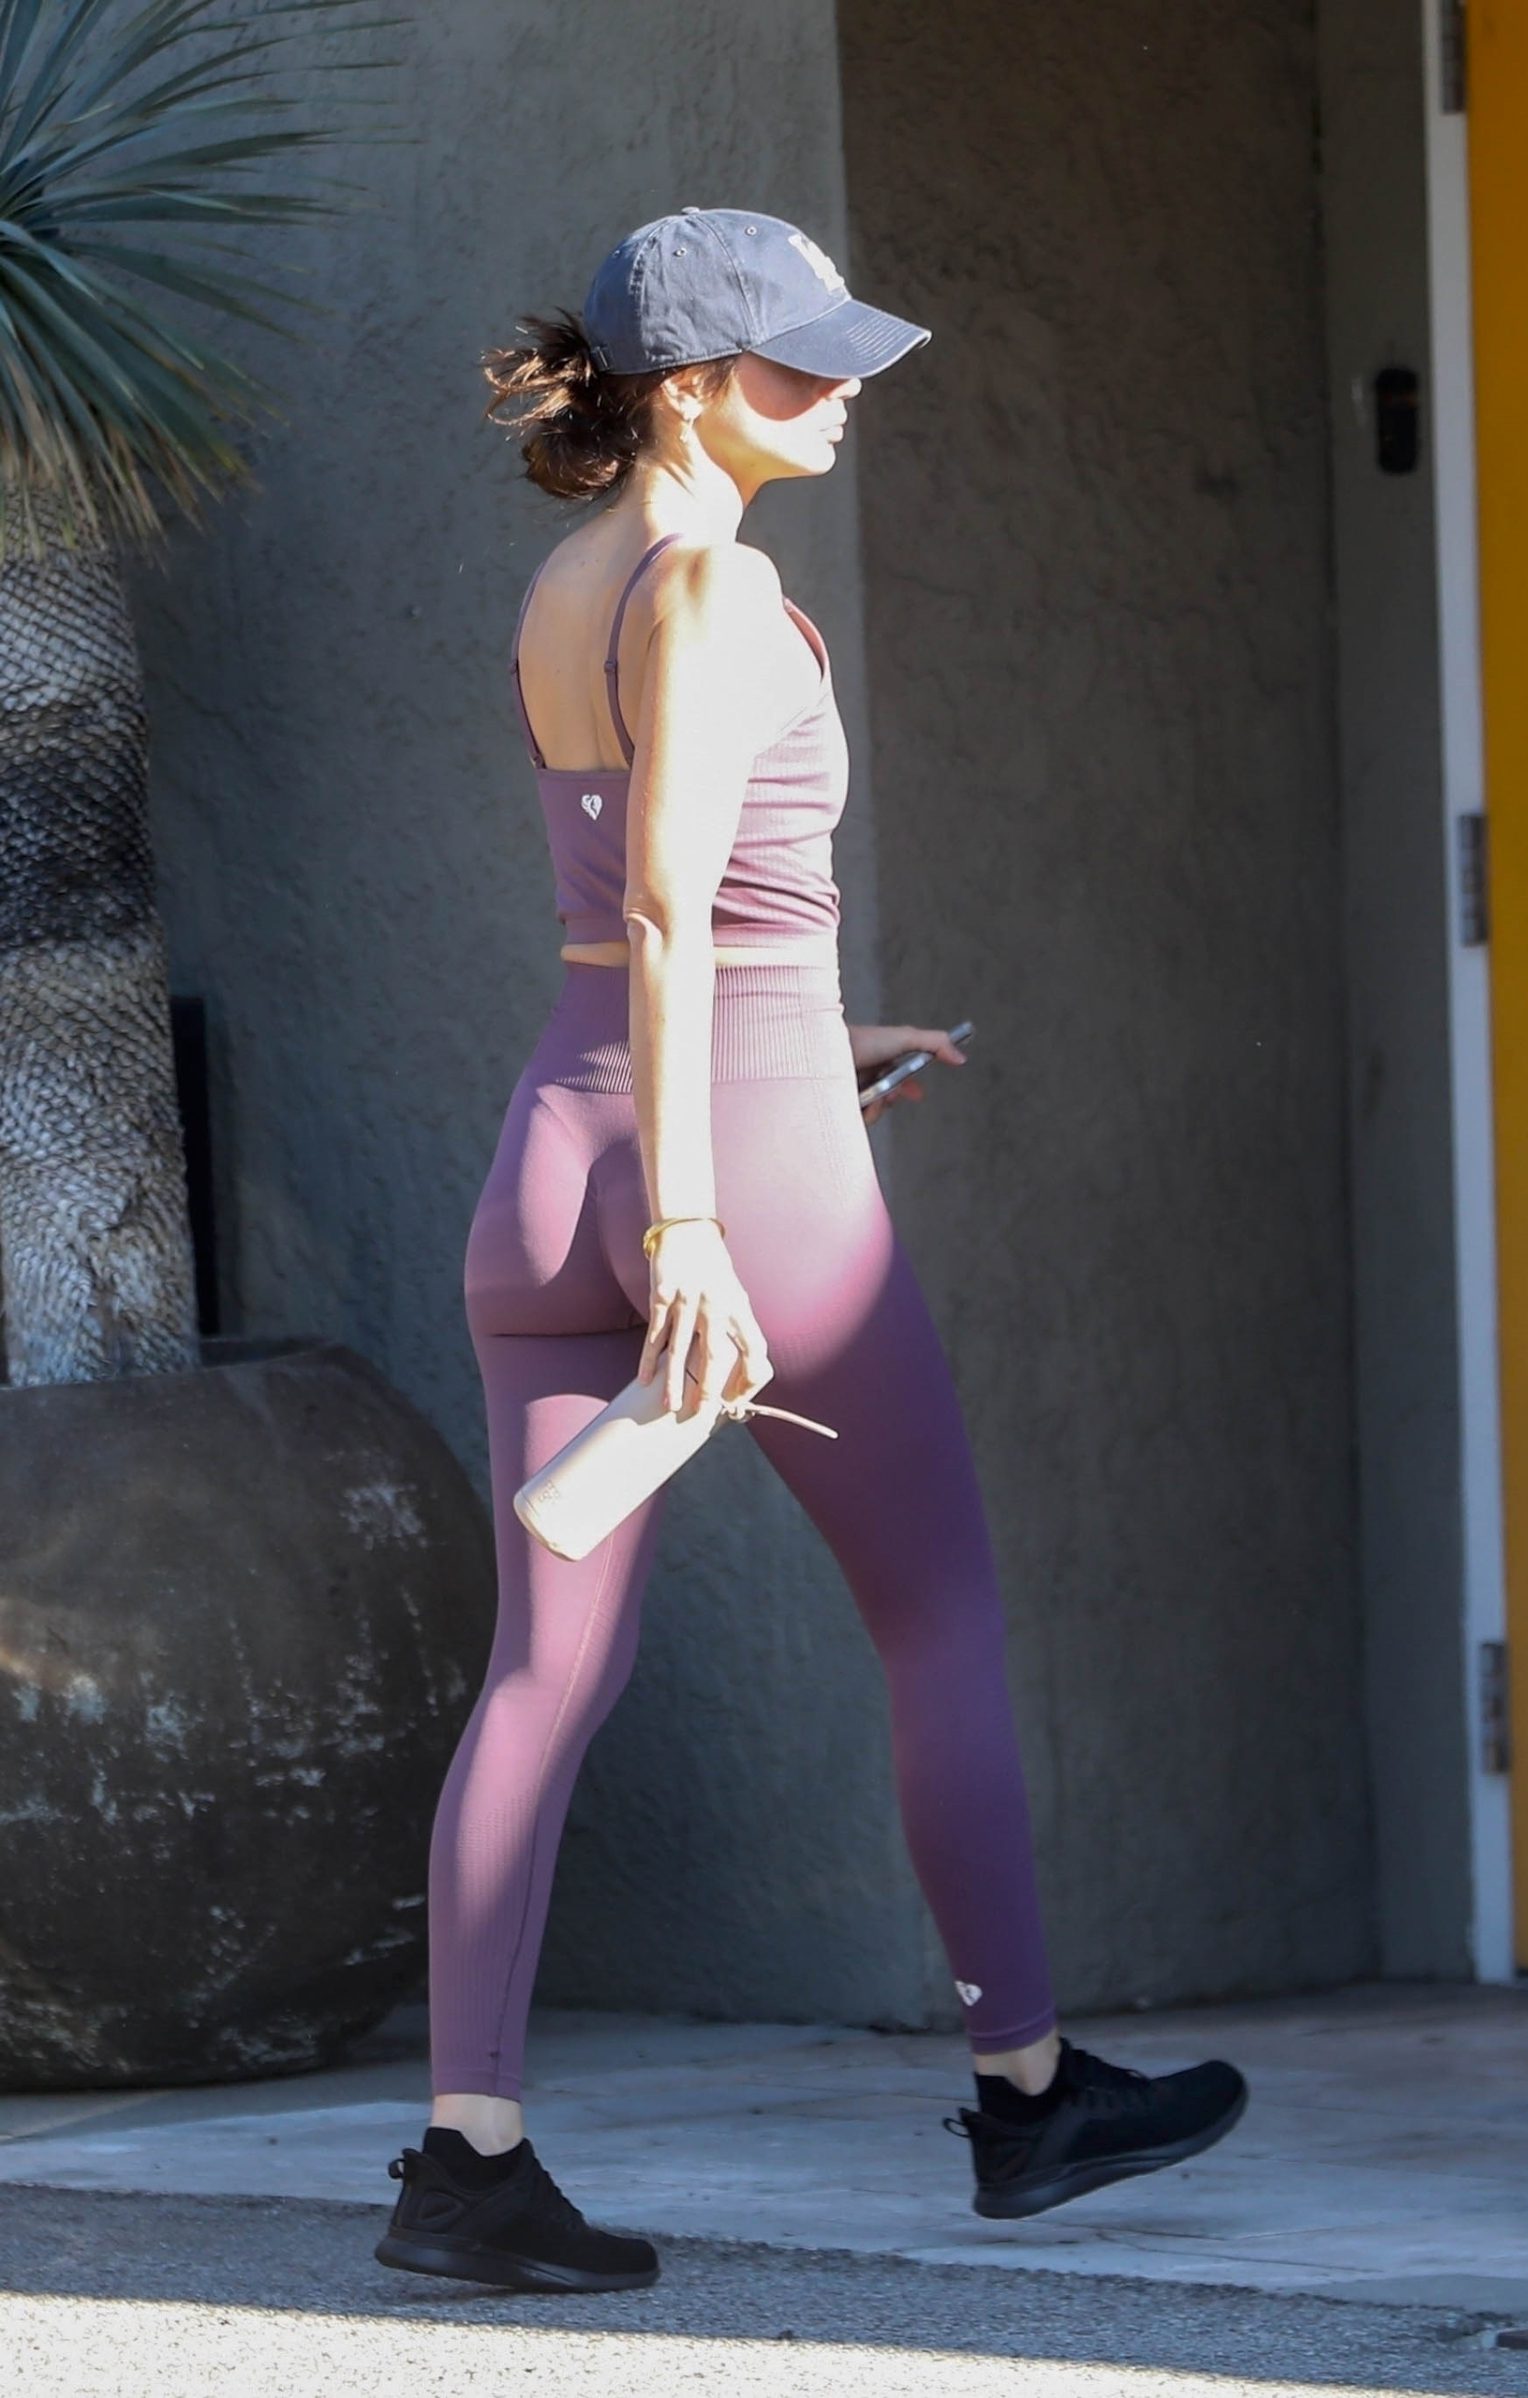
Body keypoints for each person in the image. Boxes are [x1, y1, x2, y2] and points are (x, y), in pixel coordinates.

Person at [375, 207, 1248, 2298]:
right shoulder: (715, 582)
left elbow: (630, 920)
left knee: (543, 1670)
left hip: (555, 1149)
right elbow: (676, 911)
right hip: (724, 1172)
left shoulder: (564, 584)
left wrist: (819, 1046)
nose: (845, 387)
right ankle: (1028, 2093)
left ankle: (463, 2160)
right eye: (802, 359)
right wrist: (701, 1211)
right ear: (691, 389)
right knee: (936, 1613)